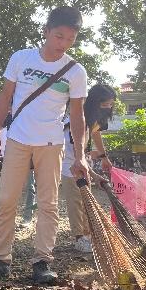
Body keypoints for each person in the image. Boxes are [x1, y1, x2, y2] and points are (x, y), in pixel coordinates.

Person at [0, 6, 88, 284]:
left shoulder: (75, 72)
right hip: (17, 139)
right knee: (6, 201)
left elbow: (77, 116)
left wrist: (81, 155)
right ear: (46, 31)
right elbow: (5, 99)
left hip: (52, 144)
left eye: (70, 40)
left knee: (48, 204)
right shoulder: (21, 58)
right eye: (59, 36)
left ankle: (42, 261)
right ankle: (1, 259)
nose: (63, 44)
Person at [61, 84, 116, 253]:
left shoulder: (91, 122)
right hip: (69, 167)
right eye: (106, 104)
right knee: (76, 203)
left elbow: (96, 133)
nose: (109, 108)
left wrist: (103, 156)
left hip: (82, 165)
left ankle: (87, 235)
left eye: (111, 104)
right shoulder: (78, 121)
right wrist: (94, 173)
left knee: (86, 202)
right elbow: (73, 154)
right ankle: (79, 238)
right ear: (95, 103)